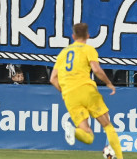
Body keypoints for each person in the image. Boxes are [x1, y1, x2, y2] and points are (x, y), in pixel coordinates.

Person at [51, 22, 123, 159]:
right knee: (107, 126)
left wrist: (66, 92)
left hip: (70, 95)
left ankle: (73, 131)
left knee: (88, 136)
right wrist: (109, 83)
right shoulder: (88, 49)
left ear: (73, 36)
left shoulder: (63, 53)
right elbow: (96, 69)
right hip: (86, 90)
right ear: (88, 36)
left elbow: (53, 79)